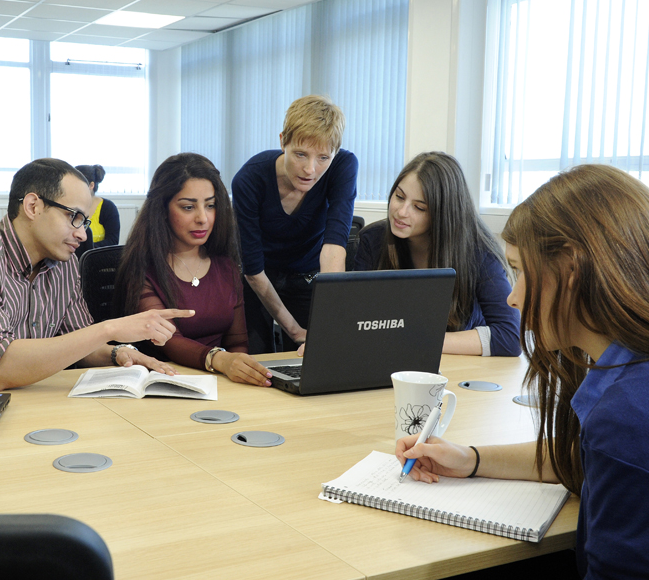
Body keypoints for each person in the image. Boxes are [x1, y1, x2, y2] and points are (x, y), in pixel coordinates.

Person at [396, 165, 649, 578]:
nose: (512, 297)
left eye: (518, 270)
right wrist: (469, 459)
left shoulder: (624, 417)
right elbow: (580, 456)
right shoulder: (630, 374)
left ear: (570, 269)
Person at [0, 157, 192, 391]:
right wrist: (111, 328)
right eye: (74, 217)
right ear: (33, 206)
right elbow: (0, 371)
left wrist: (118, 352)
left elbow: (77, 342)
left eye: (84, 221)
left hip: (27, 401)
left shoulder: (63, 261)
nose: (82, 234)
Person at [114, 153, 273, 387]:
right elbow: (167, 340)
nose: (203, 218)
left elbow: (238, 343)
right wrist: (220, 360)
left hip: (220, 382)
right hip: (162, 383)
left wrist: (241, 369)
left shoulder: (225, 264)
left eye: (210, 205)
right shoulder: (143, 268)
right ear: (162, 209)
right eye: (188, 207)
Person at [354, 152, 520, 357]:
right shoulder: (373, 239)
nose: (401, 211)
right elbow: (355, 322)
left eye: (419, 207)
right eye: (399, 196)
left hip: (460, 371)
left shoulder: (479, 250)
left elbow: (510, 336)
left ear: (443, 215)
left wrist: (414, 340)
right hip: (391, 363)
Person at [233, 94, 357, 354]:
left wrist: (328, 327)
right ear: (282, 142)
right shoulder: (250, 179)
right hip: (259, 280)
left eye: (323, 157)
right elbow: (254, 272)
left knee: (318, 354)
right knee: (257, 357)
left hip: (307, 276)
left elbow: (334, 247)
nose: (310, 169)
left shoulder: (343, 166)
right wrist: (295, 331)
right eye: (301, 154)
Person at [76, 164, 120, 248]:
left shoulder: (108, 207)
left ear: (91, 185)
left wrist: (88, 248)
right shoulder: (68, 205)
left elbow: (113, 241)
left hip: (98, 257)